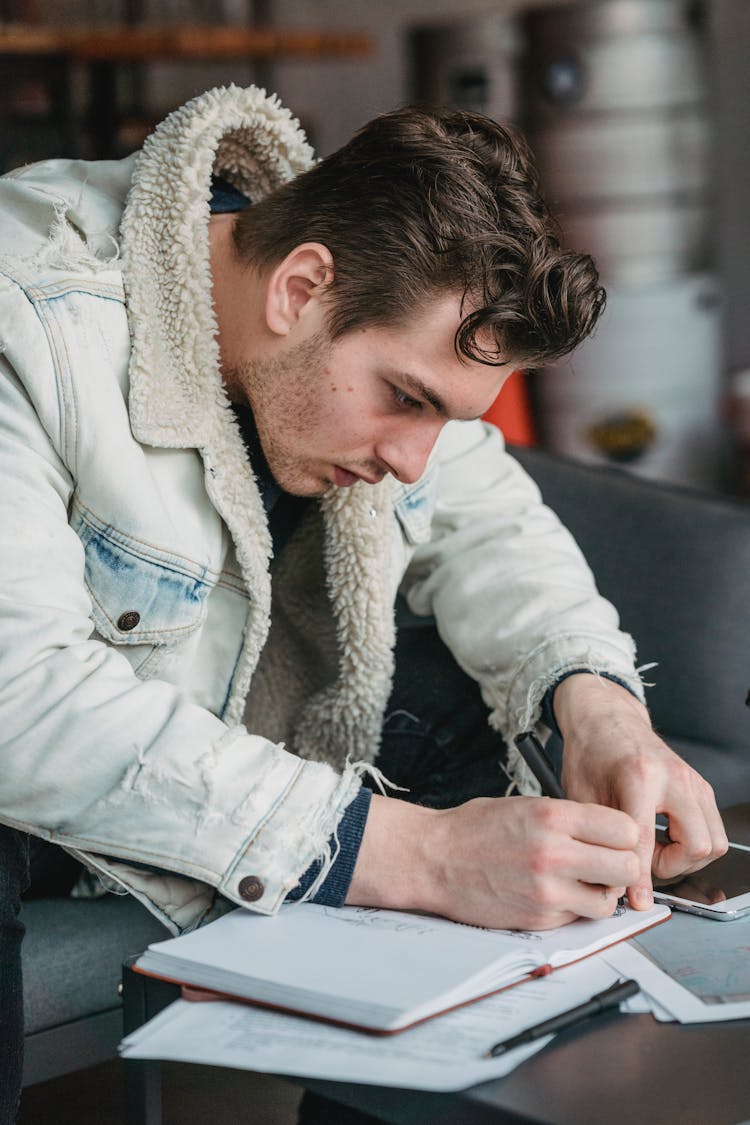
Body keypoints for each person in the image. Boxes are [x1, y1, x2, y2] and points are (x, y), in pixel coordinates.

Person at [0, 85, 726, 1123]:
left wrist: (600, 708)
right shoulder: (26, 307)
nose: (409, 461)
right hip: (24, 777)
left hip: (210, 727)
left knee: (499, 732)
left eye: (445, 416)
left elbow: (488, 525)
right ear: (300, 288)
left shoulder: (374, 306)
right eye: (407, 400)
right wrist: (414, 856)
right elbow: (18, 704)